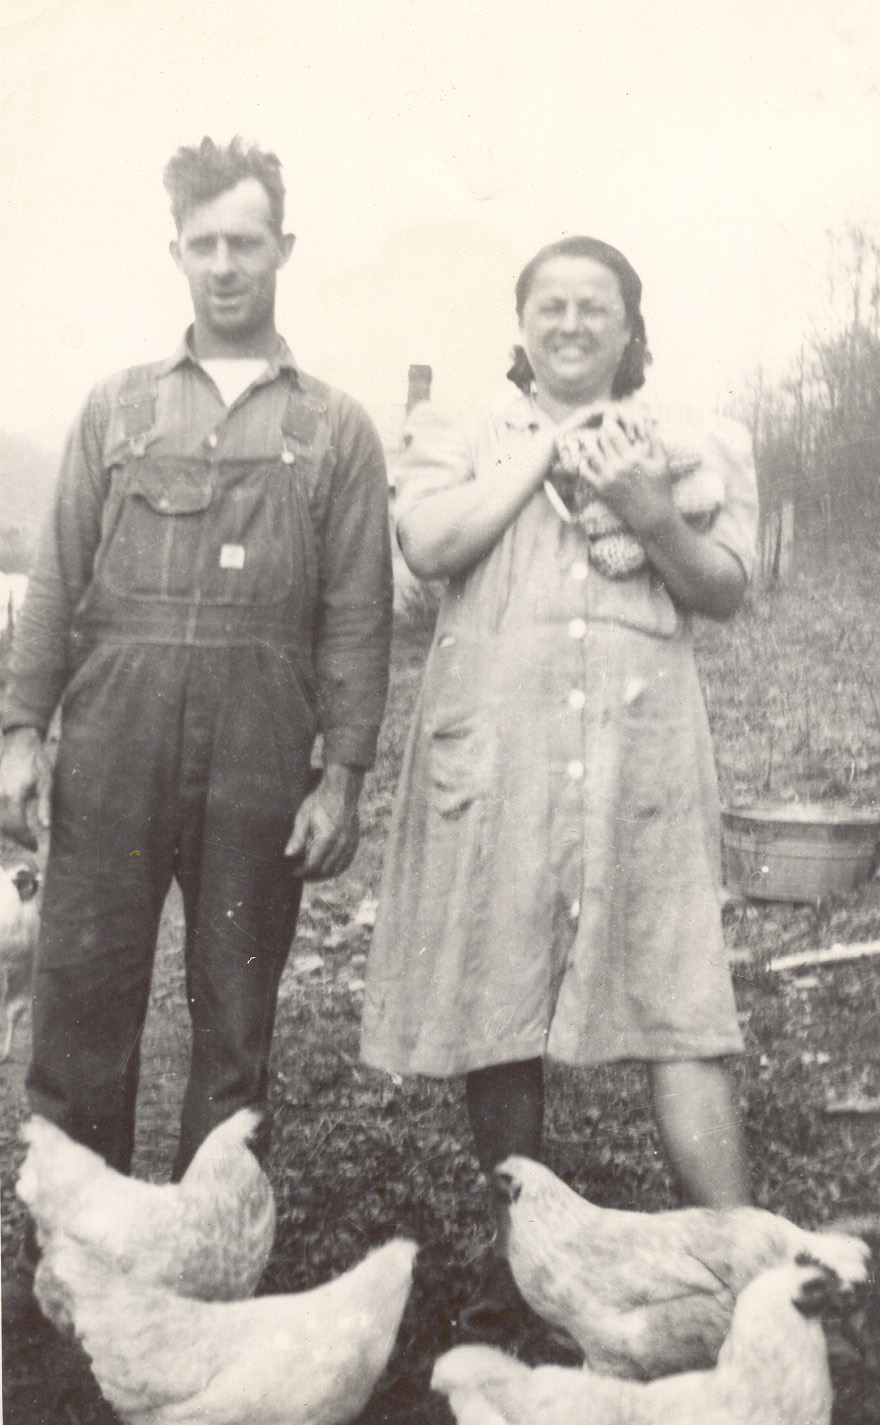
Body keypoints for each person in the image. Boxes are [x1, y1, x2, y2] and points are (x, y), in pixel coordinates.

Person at [360, 235, 758, 1331]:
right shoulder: (459, 434)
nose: (572, 325)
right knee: (498, 998)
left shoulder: (690, 438)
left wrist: (647, 506)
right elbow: (429, 544)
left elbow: (724, 588)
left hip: (641, 751)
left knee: (679, 995)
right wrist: (540, 452)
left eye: (596, 307)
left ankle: (745, 1258)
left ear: (630, 328)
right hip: (497, 748)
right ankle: (520, 1257)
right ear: (521, 323)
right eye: (552, 306)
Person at [0, 137, 393, 1179]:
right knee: (81, 1002)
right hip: (114, 741)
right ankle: (78, 1248)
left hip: (260, 750)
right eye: (205, 243)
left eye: (246, 243)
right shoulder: (116, 406)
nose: (225, 265)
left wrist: (342, 779)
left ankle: (214, 1248)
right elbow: (55, 582)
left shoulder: (337, 427)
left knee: (234, 1014)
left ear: (283, 248)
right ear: (175, 250)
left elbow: (358, 616)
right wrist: (21, 734)